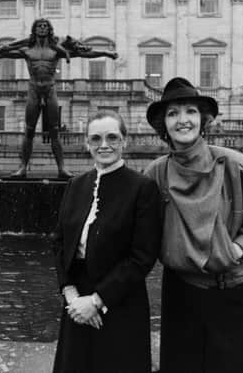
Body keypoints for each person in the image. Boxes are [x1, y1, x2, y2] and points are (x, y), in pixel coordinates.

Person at [144, 77, 243, 373]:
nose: (183, 120)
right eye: (173, 113)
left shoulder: (240, 166)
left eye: (190, 111)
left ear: (203, 120)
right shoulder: (154, 174)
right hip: (180, 291)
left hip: (232, 290)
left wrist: (234, 250)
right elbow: (136, 230)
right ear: (163, 126)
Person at [52, 110, 163, 372]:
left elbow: (143, 256)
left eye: (112, 137)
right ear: (86, 143)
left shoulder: (142, 188)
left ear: (125, 140)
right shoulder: (75, 185)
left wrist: (97, 301)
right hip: (76, 301)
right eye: (96, 138)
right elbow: (59, 242)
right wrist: (71, 294)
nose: (104, 145)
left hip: (120, 300)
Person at [0, 19, 118, 178]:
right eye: (39, 26)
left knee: (54, 131)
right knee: (29, 131)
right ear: (34, 30)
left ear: (49, 30)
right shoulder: (26, 50)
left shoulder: (56, 50)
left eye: (45, 26)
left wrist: (107, 53)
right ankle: (23, 168)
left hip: (50, 89)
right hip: (33, 89)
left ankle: (61, 169)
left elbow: (84, 53)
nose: (42, 28)